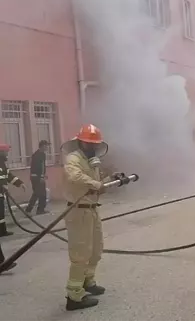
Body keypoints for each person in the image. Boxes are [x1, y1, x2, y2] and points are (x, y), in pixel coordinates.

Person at [61, 124, 113, 311]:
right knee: (80, 253)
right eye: (88, 143)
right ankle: (74, 296)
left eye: (94, 144)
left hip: (91, 208)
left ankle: (87, 281)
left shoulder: (92, 160)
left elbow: (95, 185)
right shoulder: (73, 158)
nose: (92, 147)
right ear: (80, 142)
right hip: (78, 210)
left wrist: (106, 183)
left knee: (95, 249)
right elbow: (75, 177)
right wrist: (95, 184)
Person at [0, 143, 26, 238]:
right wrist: (1, 186)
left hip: (1, 194)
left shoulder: (2, 164)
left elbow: (9, 176)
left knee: (1, 214)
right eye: (6, 152)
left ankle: (2, 231)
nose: (7, 154)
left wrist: (20, 183)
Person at [26, 140, 50, 215]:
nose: (47, 147)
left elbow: (42, 167)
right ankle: (29, 210)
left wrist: (43, 175)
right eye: (46, 145)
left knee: (41, 193)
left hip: (38, 177)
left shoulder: (41, 154)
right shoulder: (38, 155)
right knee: (37, 193)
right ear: (42, 146)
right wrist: (41, 176)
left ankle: (40, 210)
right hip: (36, 177)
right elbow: (37, 167)